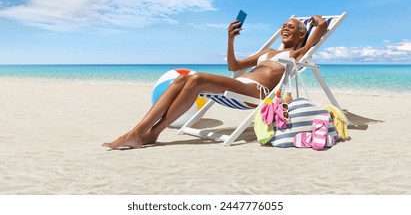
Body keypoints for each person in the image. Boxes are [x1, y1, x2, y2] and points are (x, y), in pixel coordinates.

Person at [102, 15, 329, 149]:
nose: (285, 29)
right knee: (183, 79)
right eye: (284, 26)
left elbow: (320, 30)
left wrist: (318, 23)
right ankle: (149, 133)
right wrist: (230, 39)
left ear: (301, 35)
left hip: (255, 94)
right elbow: (233, 66)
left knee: (198, 78)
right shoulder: (268, 51)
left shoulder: (297, 54)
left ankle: (139, 133)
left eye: (292, 27)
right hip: (240, 85)